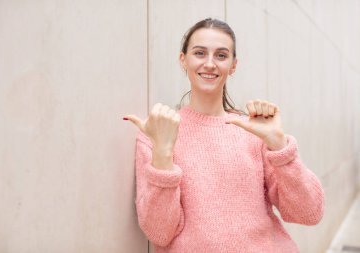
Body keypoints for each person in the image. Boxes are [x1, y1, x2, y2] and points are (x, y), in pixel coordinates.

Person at [124, 18, 324, 253]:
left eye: (221, 55)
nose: (210, 63)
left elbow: (309, 212)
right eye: (199, 53)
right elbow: (159, 232)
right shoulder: (158, 134)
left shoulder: (252, 131)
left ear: (233, 65)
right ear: (183, 60)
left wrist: (279, 145)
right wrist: (163, 153)